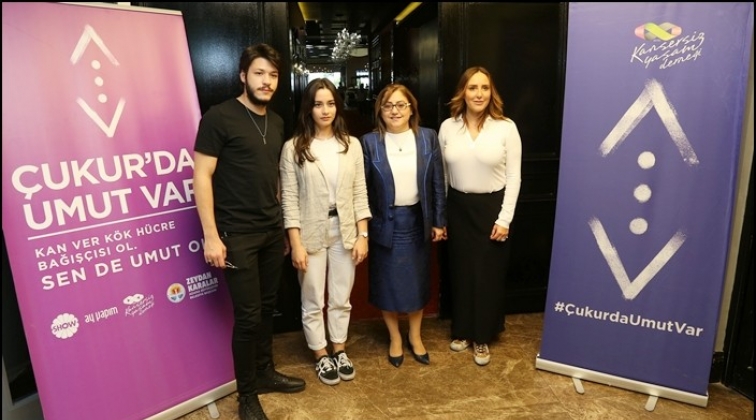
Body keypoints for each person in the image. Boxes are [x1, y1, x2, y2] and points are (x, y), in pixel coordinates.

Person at [192, 44, 306, 420]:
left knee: (267, 308)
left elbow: (273, 177)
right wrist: (211, 235)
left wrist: (283, 229)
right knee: (248, 317)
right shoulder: (219, 117)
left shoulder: (277, 122)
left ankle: (265, 372)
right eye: (259, 73)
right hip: (236, 234)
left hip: (271, 232)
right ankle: (247, 395)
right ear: (243, 76)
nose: (266, 81)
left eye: (273, 75)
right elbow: (201, 176)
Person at [279, 78, 372, 386]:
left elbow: (359, 192)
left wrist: (363, 234)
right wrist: (296, 243)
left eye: (330, 103)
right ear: (308, 108)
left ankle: (339, 349)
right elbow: (289, 199)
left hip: (345, 229)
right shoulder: (294, 148)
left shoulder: (351, 144)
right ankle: (320, 353)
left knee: (341, 296)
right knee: (312, 298)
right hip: (310, 231)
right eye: (318, 104)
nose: (325, 110)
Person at [438, 66, 522, 367]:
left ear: (491, 92)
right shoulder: (448, 127)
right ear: (463, 91)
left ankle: (482, 336)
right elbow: (443, 176)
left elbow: (514, 177)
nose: (479, 94)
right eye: (472, 87)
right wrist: (442, 215)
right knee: (460, 273)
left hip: (491, 209)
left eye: (484, 88)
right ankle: (462, 330)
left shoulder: (506, 128)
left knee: (487, 276)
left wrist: (504, 219)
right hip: (458, 207)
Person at [360, 84, 447, 368]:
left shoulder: (427, 138)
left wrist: (439, 221)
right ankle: (395, 337)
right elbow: (362, 189)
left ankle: (415, 336)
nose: (394, 111)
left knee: (417, 282)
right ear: (380, 111)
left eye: (401, 105)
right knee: (386, 284)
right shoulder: (369, 143)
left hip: (417, 221)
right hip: (384, 223)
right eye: (388, 105)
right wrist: (362, 228)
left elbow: (437, 182)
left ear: (411, 109)